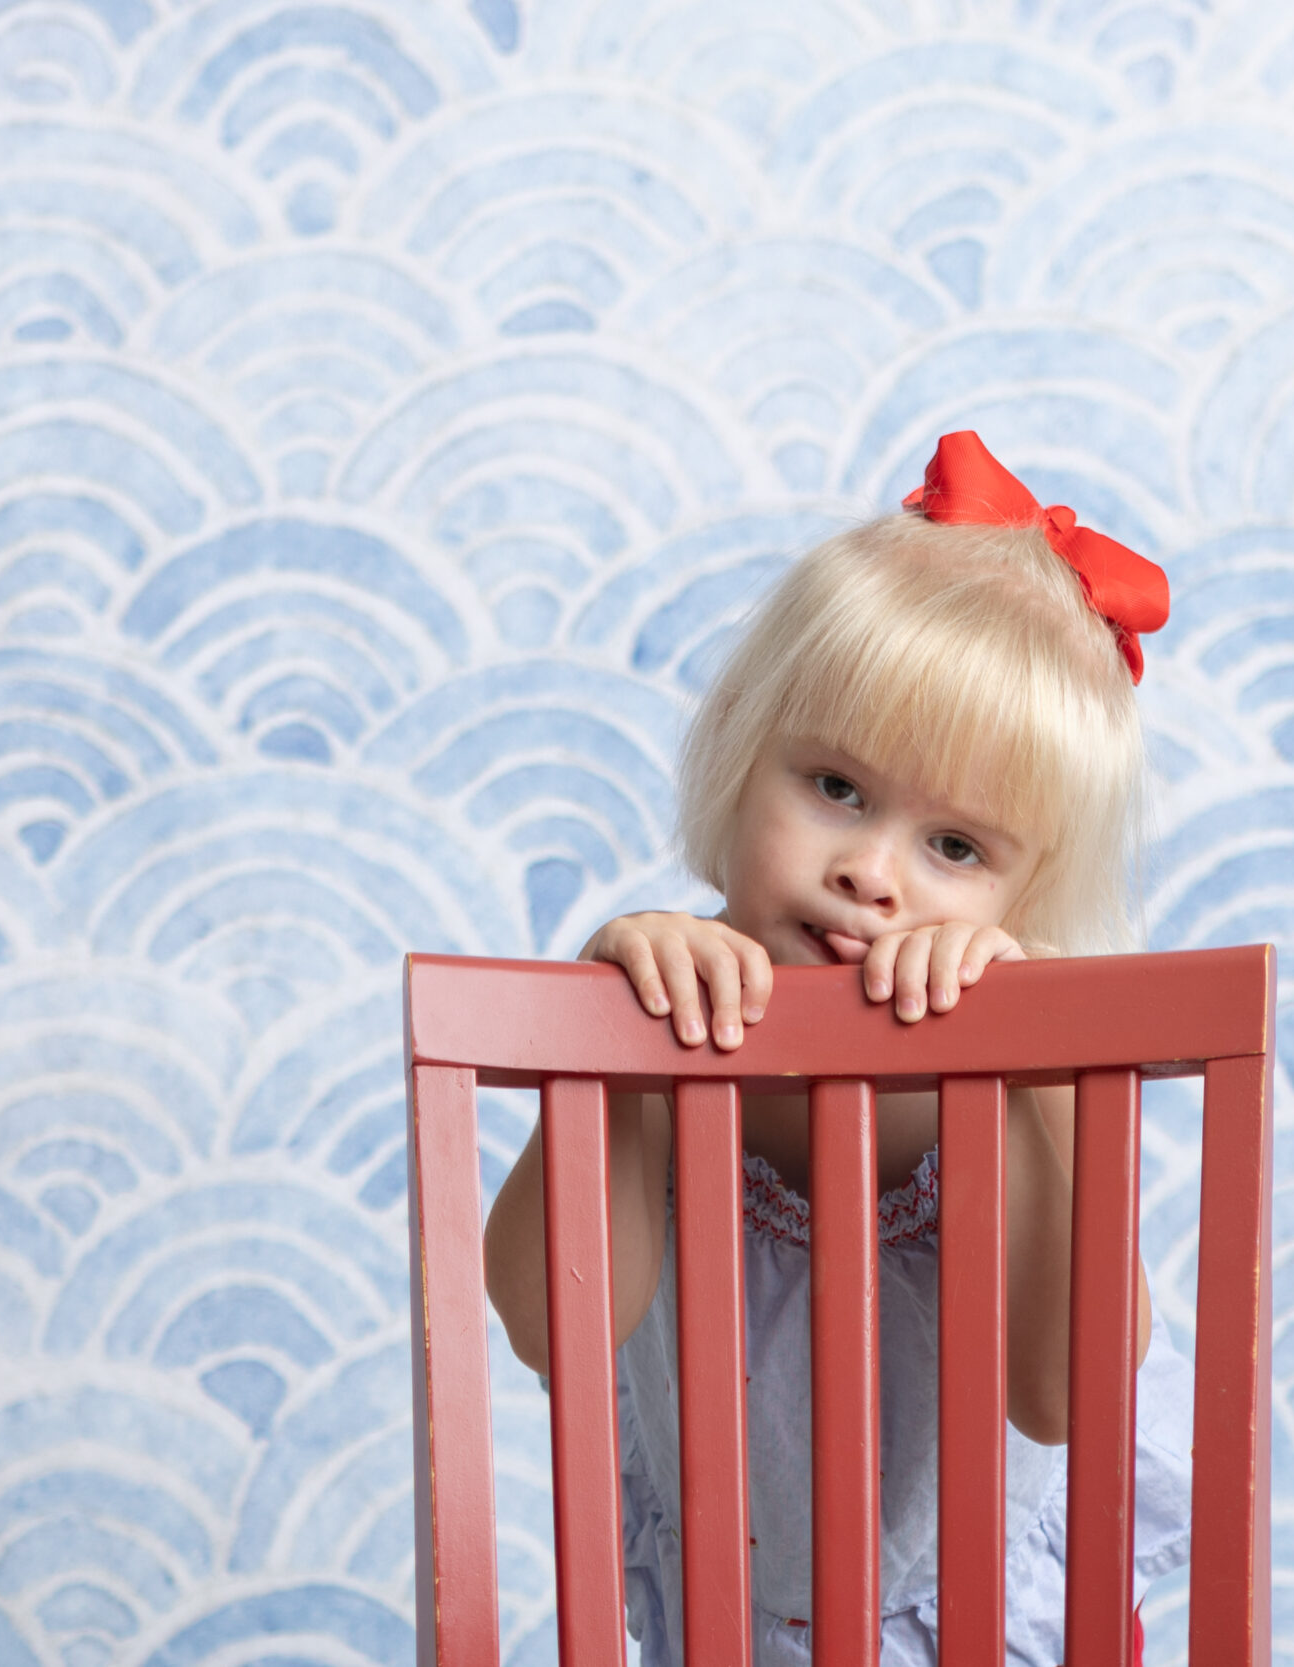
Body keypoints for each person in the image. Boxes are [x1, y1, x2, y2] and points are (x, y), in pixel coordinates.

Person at [480, 431, 1194, 1666]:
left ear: (1026, 901)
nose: (871, 873)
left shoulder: (1021, 1085)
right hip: (730, 1627)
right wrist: (617, 1052)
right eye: (837, 788)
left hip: (987, 1632)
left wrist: (1034, 1072)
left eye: (957, 851)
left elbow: (1063, 1394)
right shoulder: (666, 1008)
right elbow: (557, 1325)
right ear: (744, 755)